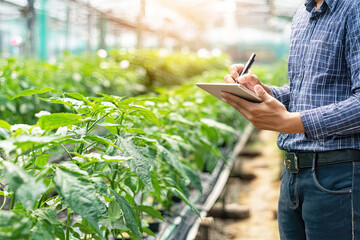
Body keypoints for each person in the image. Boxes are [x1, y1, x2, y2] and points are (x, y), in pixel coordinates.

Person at [221, 0, 360, 239]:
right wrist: (262, 90)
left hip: (338, 174)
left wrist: (292, 122)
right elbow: (303, 91)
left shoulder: (353, 8)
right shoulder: (302, 16)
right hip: (293, 175)